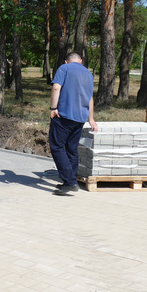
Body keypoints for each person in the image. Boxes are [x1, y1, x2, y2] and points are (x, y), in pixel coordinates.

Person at [49, 52, 98, 196]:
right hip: (80, 118)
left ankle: (70, 182)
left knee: (57, 146)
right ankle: (70, 181)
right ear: (81, 61)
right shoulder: (88, 74)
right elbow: (90, 98)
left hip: (64, 115)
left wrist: (53, 108)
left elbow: (56, 87)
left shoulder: (64, 68)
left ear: (66, 61)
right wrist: (91, 119)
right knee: (71, 149)